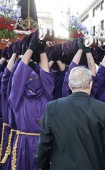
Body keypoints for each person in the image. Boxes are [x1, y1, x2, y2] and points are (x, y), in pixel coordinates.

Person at [35, 66, 105, 170]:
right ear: (90, 84)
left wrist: (42, 166)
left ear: (69, 85)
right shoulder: (102, 109)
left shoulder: (53, 107)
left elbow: (44, 144)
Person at [8, 35, 55, 170]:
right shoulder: (18, 98)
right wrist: (30, 50)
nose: (33, 81)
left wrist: (42, 52)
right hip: (24, 143)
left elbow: (47, 75)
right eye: (29, 79)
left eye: (36, 78)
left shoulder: (46, 96)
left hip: (44, 143)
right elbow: (17, 76)